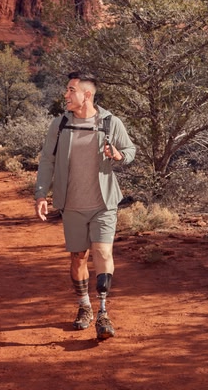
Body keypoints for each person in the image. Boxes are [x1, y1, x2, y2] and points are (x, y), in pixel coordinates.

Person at [34, 71, 136, 341]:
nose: (66, 95)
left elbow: (130, 151)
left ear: (87, 95)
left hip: (103, 203)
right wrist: (41, 194)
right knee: (78, 257)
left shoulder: (111, 123)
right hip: (72, 204)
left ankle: (103, 312)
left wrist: (117, 154)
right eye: (66, 90)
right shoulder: (59, 125)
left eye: (71, 90)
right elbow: (47, 161)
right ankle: (84, 306)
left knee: (102, 252)